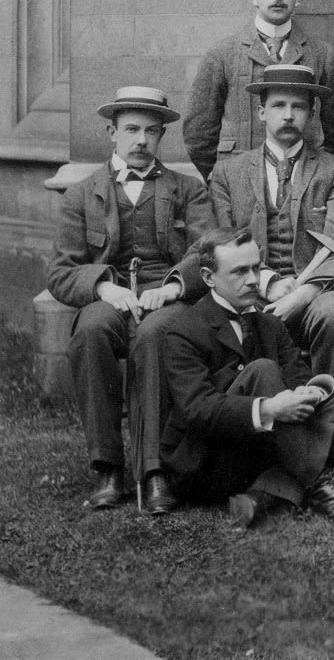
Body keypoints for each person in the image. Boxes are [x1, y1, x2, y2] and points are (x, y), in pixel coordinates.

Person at [46, 86, 215, 514]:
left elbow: (210, 251)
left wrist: (175, 287)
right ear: (111, 132)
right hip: (112, 292)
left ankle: (156, 471)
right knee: (91, 329)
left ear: (162, 136)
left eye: (151, 132)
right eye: (131, 129)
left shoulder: (188, 189)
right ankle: (108, 467)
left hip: (167, 293)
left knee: (158, 334)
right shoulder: (81, 195)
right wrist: (104, 287)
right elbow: (61, 272)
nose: (141, 140)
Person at [161, 227, 334, 529]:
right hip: (208, 462)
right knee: (262, 369)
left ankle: (263, 494)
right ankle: (319, 483)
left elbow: (297, 375)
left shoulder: (269, 324)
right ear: (208, 278)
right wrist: (268, 409)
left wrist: (310, 391)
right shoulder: (184, 329)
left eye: (256, 269)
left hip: (263, 451)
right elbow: (197, 409)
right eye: (239, 272)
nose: (252, 280)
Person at [207, 64, 334, 391]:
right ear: (262, 112)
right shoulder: (228, 173)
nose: (289, 115)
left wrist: (304, 294)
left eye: (298, 107)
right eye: (279, 106)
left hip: (315, 292)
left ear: (311, 114)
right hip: (248, 288)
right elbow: (218, 245)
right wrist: (265, 283)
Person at [184, 0, 334, 180]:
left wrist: (314, 174)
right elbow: (198, 132)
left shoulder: (321, 54)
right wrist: (224, 177)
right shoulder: (222, 54)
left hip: (304, 180)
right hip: (239, 180)